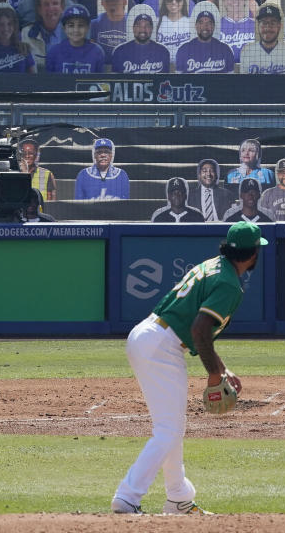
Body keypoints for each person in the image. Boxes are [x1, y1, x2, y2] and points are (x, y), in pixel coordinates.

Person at [110, 221, 266, 515]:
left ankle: (178, 497)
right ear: (253, 254)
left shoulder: (214, 266)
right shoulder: (229, 284)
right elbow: (199, 329)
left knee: (171, 427)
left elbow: (198, 329)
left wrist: (221, 367)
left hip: (151, 335)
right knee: (168, 430)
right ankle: (128, 496)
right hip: (162, 346)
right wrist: (214, 375)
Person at [174, 2, 236, 73]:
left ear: (213, 26)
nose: (205, 26)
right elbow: (178, 80)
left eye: (209, 23)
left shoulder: (225, 50)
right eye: (201, 22)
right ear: (196, 26)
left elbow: (231, 81)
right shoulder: (183, 50)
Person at [238, 3, 285, 74]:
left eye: (272, 23)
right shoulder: (246, 51)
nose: (267, 27)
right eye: (263, 22)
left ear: (279, 26)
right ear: (258, 26)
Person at [111, 4, 173, 73]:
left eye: (147, 26)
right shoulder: (119, 51)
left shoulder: (163, 51)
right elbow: (115, 81)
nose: (143, 29)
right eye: (138, 25)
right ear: (133, 28)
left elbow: (165, 80)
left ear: (152, 29)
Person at [45, 3, 106, 73]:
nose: (76, 30)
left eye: (81, 25)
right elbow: (49, 81)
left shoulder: (97, 52)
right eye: (71, 25)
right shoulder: (54, 52)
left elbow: (100, 81)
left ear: (88, 27)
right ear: (64, 28)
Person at [0, 2, 37, 73]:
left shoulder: (24, 48)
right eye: (1, 24)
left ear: (14, 26)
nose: (6, 28)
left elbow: (33, 78)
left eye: (9, 24)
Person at [17, 137, 56, 202]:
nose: (27, 156)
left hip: (40, 211)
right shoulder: (14, 174)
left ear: (36, 155)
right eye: (24, 153)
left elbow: (51, 202)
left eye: (31, 153)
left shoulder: (47, 174)